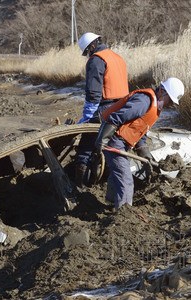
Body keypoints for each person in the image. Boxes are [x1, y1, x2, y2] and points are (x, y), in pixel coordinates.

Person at [94, 77, 185, 210]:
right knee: (126, 180)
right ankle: (123, 213)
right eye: (170, 100)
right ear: (162, 91)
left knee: (118, 173)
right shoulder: (144, 100)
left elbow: (140, 130)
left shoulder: (154, 107)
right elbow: (118, 117)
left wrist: (145, 154)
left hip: (121, 142)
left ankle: (111, 203)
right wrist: (103, 138)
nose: (170, 104)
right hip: (114, 140)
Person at [74, 32, 129, 187]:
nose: (87, 55)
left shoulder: (96, 60)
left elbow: (93, 92)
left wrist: (88, 116)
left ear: (92, 46)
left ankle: (79, 185)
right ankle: (105, 181)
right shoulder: (117, 57)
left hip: (106, 107)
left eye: (87, 52)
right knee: (111, 145)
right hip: (123, 107)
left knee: (86, 144)